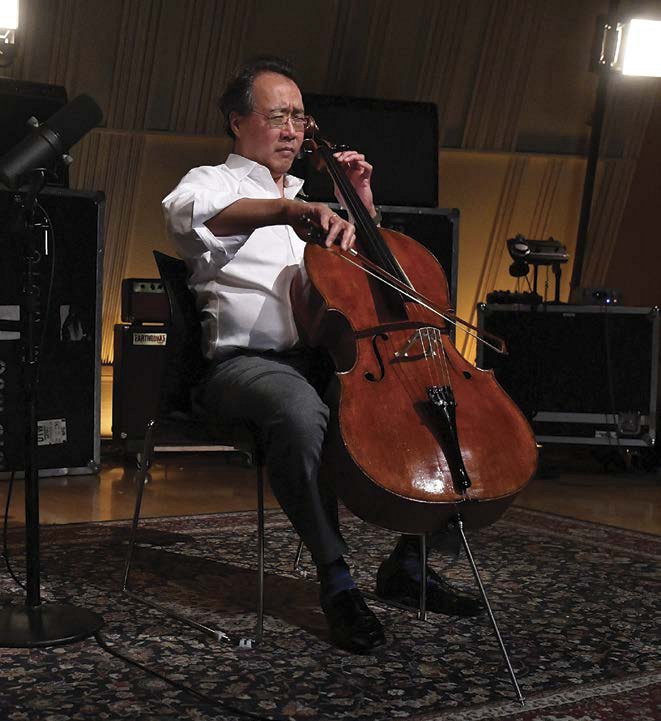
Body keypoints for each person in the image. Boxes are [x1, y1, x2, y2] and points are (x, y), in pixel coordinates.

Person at [162, 56, 482, 654]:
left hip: (329, 358)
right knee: (297, 410)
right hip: (245, 367)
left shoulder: (319, 201)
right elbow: (187, 218)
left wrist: (361, 206)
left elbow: (375, 286)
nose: (293, 131)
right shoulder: (212, 182)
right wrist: (291, 210)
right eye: (278, 116)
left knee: (432, 409)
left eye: (300, 119)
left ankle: (409, 565)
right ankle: (337, 582)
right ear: (237, 122)